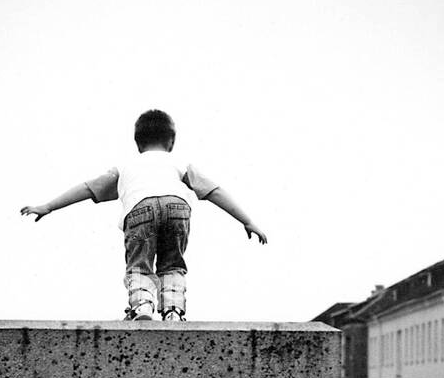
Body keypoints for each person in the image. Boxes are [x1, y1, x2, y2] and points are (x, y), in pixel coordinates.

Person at [20, 110, 267, 320]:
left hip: (140, 209)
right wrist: (247, 220)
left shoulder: (126, 166)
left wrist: (48, 206)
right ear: (172, 142)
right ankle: (173, 311)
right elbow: (215, 191)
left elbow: (87, 188)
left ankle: (142, 305)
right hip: (177, 208)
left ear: (137, 143)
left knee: (140, 262)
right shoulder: (180, 163)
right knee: (172, 263)